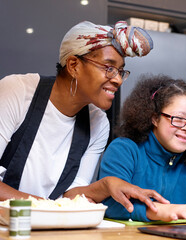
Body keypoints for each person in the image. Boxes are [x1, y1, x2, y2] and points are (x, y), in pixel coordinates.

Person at [0, 20, 169, 213]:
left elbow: (72, 196)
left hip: (47, 229)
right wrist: (48, 207)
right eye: (109, 67)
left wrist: (106, 185)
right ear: (73, 65)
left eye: (121, 71)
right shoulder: (18, 92)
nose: (118, 79)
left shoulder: (98, 123)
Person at [99, 74, 186, 224]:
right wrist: (160, 210)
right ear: (155, 118)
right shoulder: (124, 150)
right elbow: (110, 205)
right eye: (179, 119)